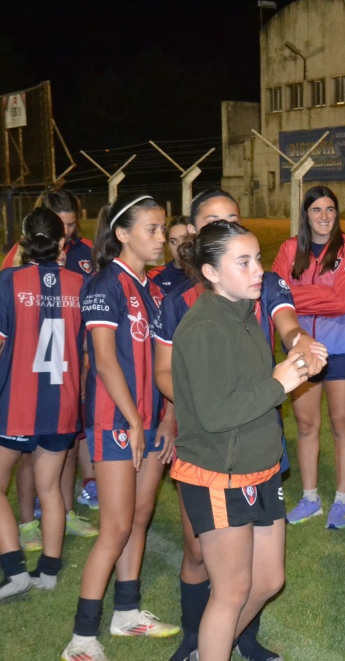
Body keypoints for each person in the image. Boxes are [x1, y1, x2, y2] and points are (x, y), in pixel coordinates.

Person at [153, 189, 323, 661]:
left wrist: (300, 358)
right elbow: (214, 413)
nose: (258, 271)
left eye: (258, 260)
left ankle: (211, 649)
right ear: (211, 272)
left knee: (268, 580)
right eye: (243, 263)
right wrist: (280, 383)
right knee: (230, 591)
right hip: (217, 474)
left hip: (259, 466)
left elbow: (260, 374)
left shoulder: (245, 313)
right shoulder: (206, 326)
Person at [61, 195, 179, 661]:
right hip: (117, 423)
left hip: (151, 423)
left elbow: (165, 363)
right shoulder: (104, 284)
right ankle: (81, 638)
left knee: (139, 518)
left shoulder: (154, 290)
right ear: (123, 234)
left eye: (162, 228)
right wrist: (132, 420)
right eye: (152, 229)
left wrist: (167, 418)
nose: (161, 237)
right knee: (114, 528)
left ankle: (127, 612)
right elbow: (105, 361)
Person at [0, 208, 85, 601]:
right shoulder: (80, 283)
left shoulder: (8, 281)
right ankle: (48, 570)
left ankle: (15, 570)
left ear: (22, 241)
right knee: (50, 488)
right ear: (62, 241)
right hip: (62, 404)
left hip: (16, 403)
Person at [9, 189, 98, 550]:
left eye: (71, 225)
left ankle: (63, 513)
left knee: (67, 449)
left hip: (64, 373)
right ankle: (29, 523)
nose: (67, 232)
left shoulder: (86, 254)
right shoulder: (18, 262)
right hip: (37, 377)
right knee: (32, 458)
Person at [272, 187, 345, 529]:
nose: (324, 216)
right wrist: (322, 294)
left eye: (330, 209)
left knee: (342, 424)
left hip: (341, 348)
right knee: (307, 425)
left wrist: (295, 296)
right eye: (316, 210)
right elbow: (275, 294)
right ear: (306, 214)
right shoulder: (288, 249)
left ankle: (341, 501)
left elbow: (343, 301)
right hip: (301, 349)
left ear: (336, 214)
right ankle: (310, 498)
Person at [148, 216, 193, 293]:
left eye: (184, 240)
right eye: (173, 242)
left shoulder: (207, 273)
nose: (179, 246)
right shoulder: (156, 277)